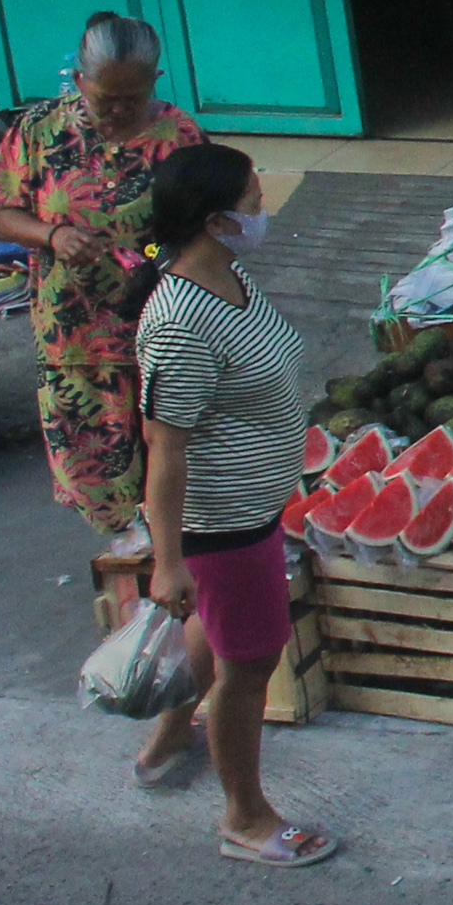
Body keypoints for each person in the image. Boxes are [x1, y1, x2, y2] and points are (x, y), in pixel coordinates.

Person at [125, 141, 335, 865]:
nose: (263, 208)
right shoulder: (180, 320)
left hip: (253, 508)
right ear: (215, 220)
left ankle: (165, 741)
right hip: (224, 527)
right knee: (249, 663)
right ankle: (244, 816)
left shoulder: (228, 273)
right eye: (252, 200)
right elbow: (166, 449)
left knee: (214, 635)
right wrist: (169, 562)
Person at [0, 13, 207, 543]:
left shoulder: (179, 135)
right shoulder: (38, 131)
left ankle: (183, 563)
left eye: (131, 99)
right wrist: (51, 235)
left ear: (156, 82)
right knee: (103, 482)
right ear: (80, 80)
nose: (116, 111)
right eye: (105, 97)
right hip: (76, 343)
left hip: (163, 329)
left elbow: (203, 227)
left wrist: (153, 252)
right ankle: (133, 573)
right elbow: (1, 211)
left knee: (180, 468)